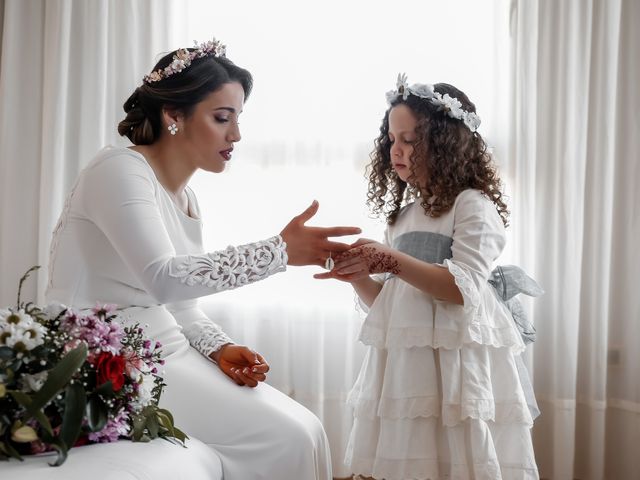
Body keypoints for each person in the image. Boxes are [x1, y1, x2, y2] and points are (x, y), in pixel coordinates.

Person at [46, 38, 362, 480]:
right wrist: (279, 251)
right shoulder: (118, 169)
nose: (236, 135)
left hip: (164, 345)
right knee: (287, 437)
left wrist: (219, 347)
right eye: (221, 118)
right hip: (108, 354)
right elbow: (164, 279)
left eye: (237, 119)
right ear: (173, 115)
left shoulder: (186, 197)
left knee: (307, 428)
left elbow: (180, 305)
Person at [315, 75, 540, 479]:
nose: (395, 151)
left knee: (455, 453)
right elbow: (390, 306)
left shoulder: (471, 206)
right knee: (413, 454)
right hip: (408, 366)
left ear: (445, 144)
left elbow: (460, 289)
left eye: (409, 140)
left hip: (455, 362)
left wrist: (389, 258)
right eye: (391, 140)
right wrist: (359, 275)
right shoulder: (402, 217)